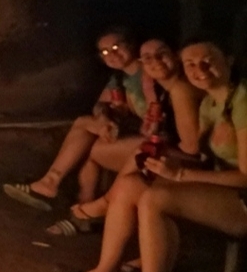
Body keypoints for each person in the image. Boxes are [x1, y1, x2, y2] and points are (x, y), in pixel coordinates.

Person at [83, 39, 247, 272]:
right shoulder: (210, 102)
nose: (200, 69)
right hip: (225, 190)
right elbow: (198, 152)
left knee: (157, 198)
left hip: (241, 198)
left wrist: (182, 175)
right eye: (191, 64)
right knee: (132, 184)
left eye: (207, 60)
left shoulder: (243, 100)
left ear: (229, 60)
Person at [46, 38, 201, 236]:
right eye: (148, 58)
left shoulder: (178, 89)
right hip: (166, 148)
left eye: (161, 54)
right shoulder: (141, 84)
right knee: (90, 133)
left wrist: (157, 136)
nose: (156, 61)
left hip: (191, 164)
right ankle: (82, 205)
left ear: (175, 55)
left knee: (134, 151)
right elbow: (101, 104)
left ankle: (95, 208)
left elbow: (192, 147)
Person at [3, 27, 150, 211]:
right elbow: (100, 105)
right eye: (105, 52)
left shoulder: (148, 70)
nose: (112, 54)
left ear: (131, 45)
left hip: (156, 141)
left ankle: (77, 205)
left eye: (116, 47)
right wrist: (103, 119)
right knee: (85, 123)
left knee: (90, 148)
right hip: (137, 133)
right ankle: (62, 194)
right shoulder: (120, 78)